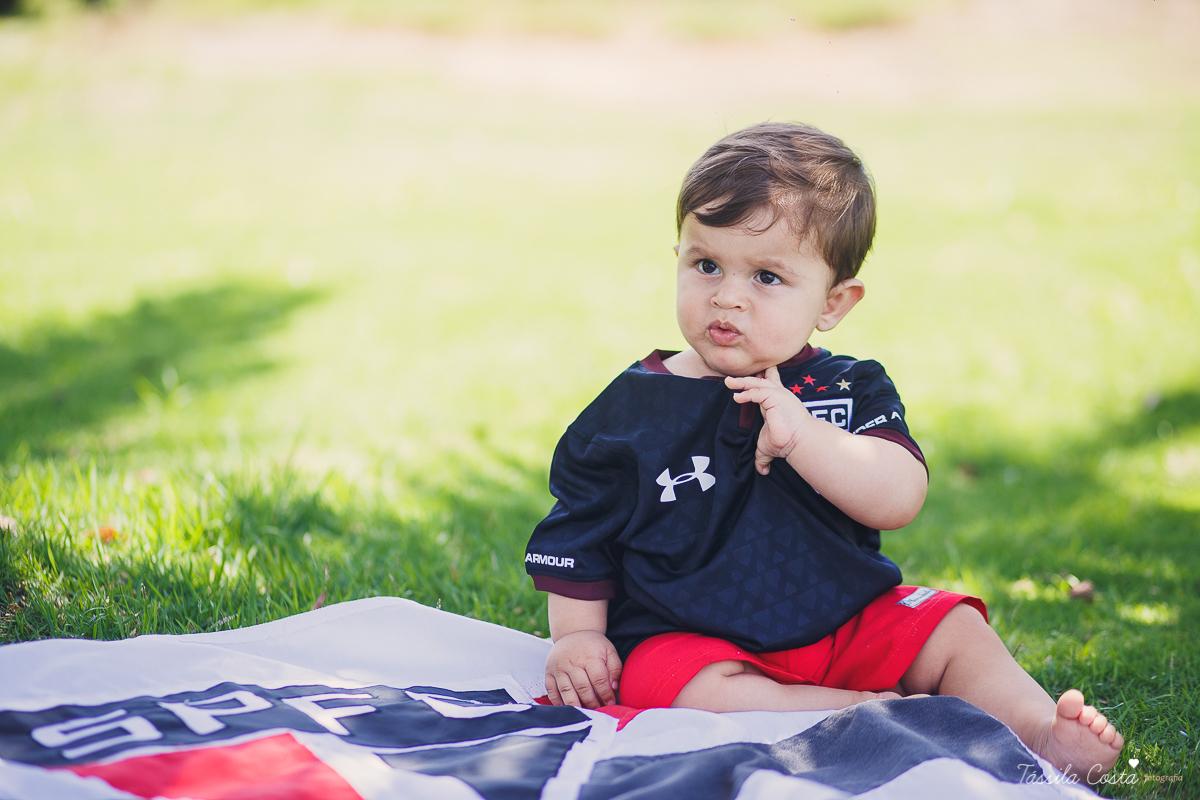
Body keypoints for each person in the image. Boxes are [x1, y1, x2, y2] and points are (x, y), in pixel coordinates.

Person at [523, 122, 1123, 782]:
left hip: (845, 620)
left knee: (956, 631)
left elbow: (898, 495)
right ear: (678, 258)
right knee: (660, 681)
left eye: (768, 277)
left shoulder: (847, 387)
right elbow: (582, 530)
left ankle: (1041, 732)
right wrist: (578, 637)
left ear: (833, 303)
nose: (728, 295)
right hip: (697, 639)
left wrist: (805, 436)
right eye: (706, 264)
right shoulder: (630, 410)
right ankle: (862, 710)